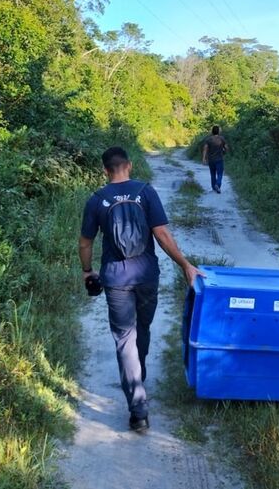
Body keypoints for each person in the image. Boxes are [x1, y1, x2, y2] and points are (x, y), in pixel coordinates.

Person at [79, 147, 203, 433]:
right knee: (142, 329)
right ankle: (139, 372)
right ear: (130, 166)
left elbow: (85, 243)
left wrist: (88, 271)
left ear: (105, 170)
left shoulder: (97, 200)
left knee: (125, 338)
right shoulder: (146, 192)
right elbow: (161, 234)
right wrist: (185, 264)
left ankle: (138, 412)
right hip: (147, 275)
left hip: (115, 279)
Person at [201, 125, 228, 193]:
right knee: (220, 174)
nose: (221, 130)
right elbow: (226, 148)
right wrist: (224, 151)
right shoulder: (222, 139)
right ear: (218, 131)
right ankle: (217, 185)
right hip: (219, 159)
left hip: (211, 160)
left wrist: (204, 158)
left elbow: (205, 149)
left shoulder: (208, 139)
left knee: (212, 174)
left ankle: (214, 187)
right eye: (220, 129)